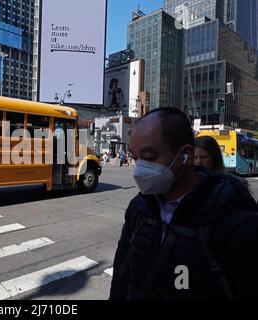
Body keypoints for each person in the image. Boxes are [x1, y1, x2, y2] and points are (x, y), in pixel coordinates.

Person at [109, 108, 258, 300]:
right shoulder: (139, 208)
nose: (139, 170)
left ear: (186, 155)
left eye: (149, 157)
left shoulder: (238, 223)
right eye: (136, 158)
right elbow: (122, 276)